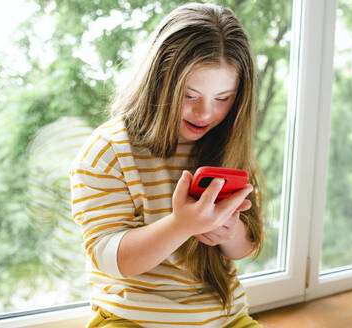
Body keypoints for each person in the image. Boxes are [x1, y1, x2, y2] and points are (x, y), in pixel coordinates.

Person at [69, 3, 264, 327]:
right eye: (190, 95)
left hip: (224, 320)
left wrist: (228, 231)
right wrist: (181, 225)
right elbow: (110, 260)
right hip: (132, 320)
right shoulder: (109, 151)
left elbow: (245, 247)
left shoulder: (228, 145)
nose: (204, 113)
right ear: (158, 81)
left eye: (222, 98)